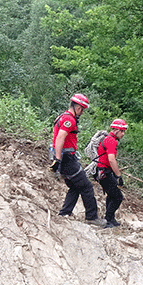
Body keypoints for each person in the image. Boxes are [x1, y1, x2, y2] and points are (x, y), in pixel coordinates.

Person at [53, 94, 103, 226]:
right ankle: (92, 217)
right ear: (78, 107)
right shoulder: (69, 120)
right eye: (82, 110)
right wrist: (58, 160)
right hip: (67, 159)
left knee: (75, 186)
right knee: (86, 187)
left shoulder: (62, 117)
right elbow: (60, 138)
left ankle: (64, 213)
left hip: (66, 158)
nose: (82, 112)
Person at [95, 118, 128, 229]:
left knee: (112, 195)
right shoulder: (111, 141)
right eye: (122, 131)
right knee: (118, 197)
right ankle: (108, 220)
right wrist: (118, 175)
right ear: (115, 130)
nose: (123, 134)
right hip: (104, 171)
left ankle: (110, 218)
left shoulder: (108, 139)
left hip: (103, 171)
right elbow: (111, 159)